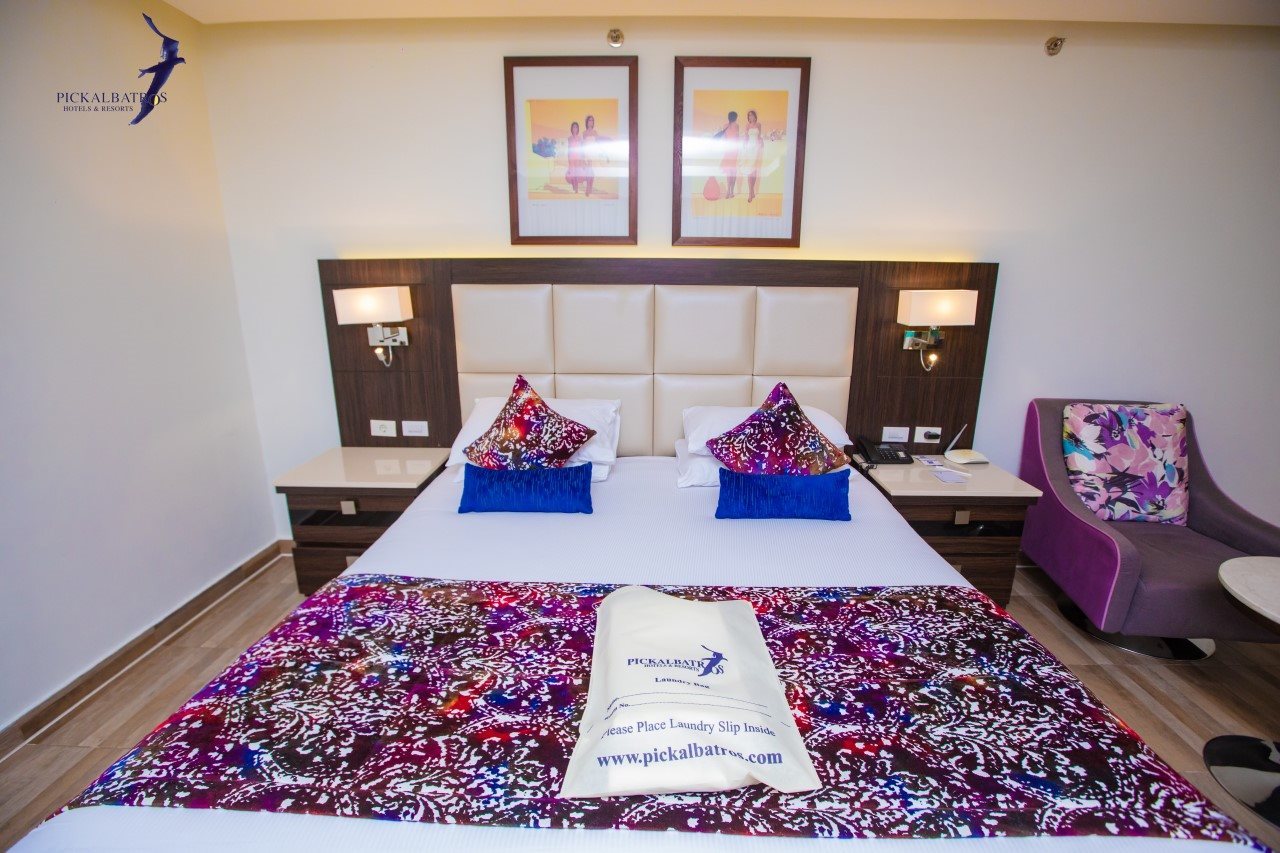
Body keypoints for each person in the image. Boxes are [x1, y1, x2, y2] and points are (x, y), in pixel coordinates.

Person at [742, 109, 765, 203]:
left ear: (755, 116)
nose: (750, 117)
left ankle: (752, 191)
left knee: (754, 170)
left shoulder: (759, 124)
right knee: (749, 170)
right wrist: (744, 146)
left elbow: (759, 136)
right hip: (749, 149)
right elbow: (746, 137)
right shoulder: (747, 125)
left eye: (752, 115)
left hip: (756, 148)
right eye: (749, 115)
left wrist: (762, 141)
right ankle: (750, 193)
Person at [719, 110, 740, 199]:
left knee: (730, 171)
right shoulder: (736, 126)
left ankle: (729, 191)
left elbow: (725, 138)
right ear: (735, 118)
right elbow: (737, 138)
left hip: (729, 149)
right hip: (733, 149)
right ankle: (730, 191)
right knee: (732, 171)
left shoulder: (726, 125)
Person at [581, 114, 599, 197]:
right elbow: (582, 145)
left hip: (593, 154)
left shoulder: (595, 132)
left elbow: (598, 143)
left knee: (590, 171)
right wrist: (582, 156)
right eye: (589, 120)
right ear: (587, 122)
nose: (591, 122)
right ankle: (589, 187)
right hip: (586, 153)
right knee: (589, 171)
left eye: (592, 120)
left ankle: (589, 188)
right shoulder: (584, 133)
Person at [565, 121, 586, 194]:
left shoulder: (580, 138)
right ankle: (574, 186)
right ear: (571, 128)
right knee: (572, 174)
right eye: (573, 127)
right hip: (571, 158)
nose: (575, 128)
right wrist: (568, 158)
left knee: (577, 173)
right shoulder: (569, 138)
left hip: (578, 158)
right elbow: (568, 149)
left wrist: (583, 159)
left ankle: (576, 188)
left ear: (578, 129)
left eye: (576, 127)